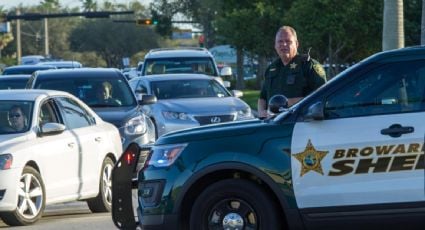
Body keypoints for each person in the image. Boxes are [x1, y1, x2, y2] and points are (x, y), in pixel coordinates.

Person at [257, 26, 327, 118]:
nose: (284, 44)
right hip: (274, 123)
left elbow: (323, 94)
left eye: (288, 41)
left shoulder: (307, 65)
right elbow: (263, 97)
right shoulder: (271, 68)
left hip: (301, 122)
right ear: (275, 45)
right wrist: (262, 112)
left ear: (296, 44)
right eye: (280, 41)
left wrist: (285, 104)